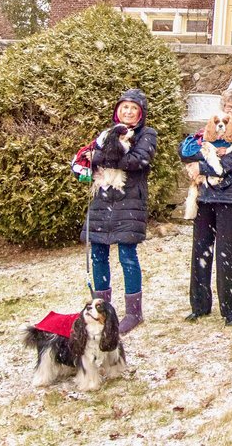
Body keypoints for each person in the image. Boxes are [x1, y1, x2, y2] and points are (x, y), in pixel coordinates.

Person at [82, 88, 158, 334]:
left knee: (127, 256)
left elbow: (137, 161)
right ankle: (103, 308)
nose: (128, 111)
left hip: (130, 202)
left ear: (140, 114)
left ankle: (134, 312)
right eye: (124, 107)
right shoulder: (106, 133)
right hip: (102, 200)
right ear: (117, 110)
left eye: (133, 108)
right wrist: (101, 156)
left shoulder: (147, 134)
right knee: (98, 255)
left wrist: (106, 157)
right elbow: (89, 156)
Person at [184, 89, 232, 326]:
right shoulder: (211, 125)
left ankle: (229, 308)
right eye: (228, 106)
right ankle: (199, 305)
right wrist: (204, 155)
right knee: (201, 252)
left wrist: (203, 167)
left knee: (227, 256)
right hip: (206, 198)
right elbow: (187, 150)